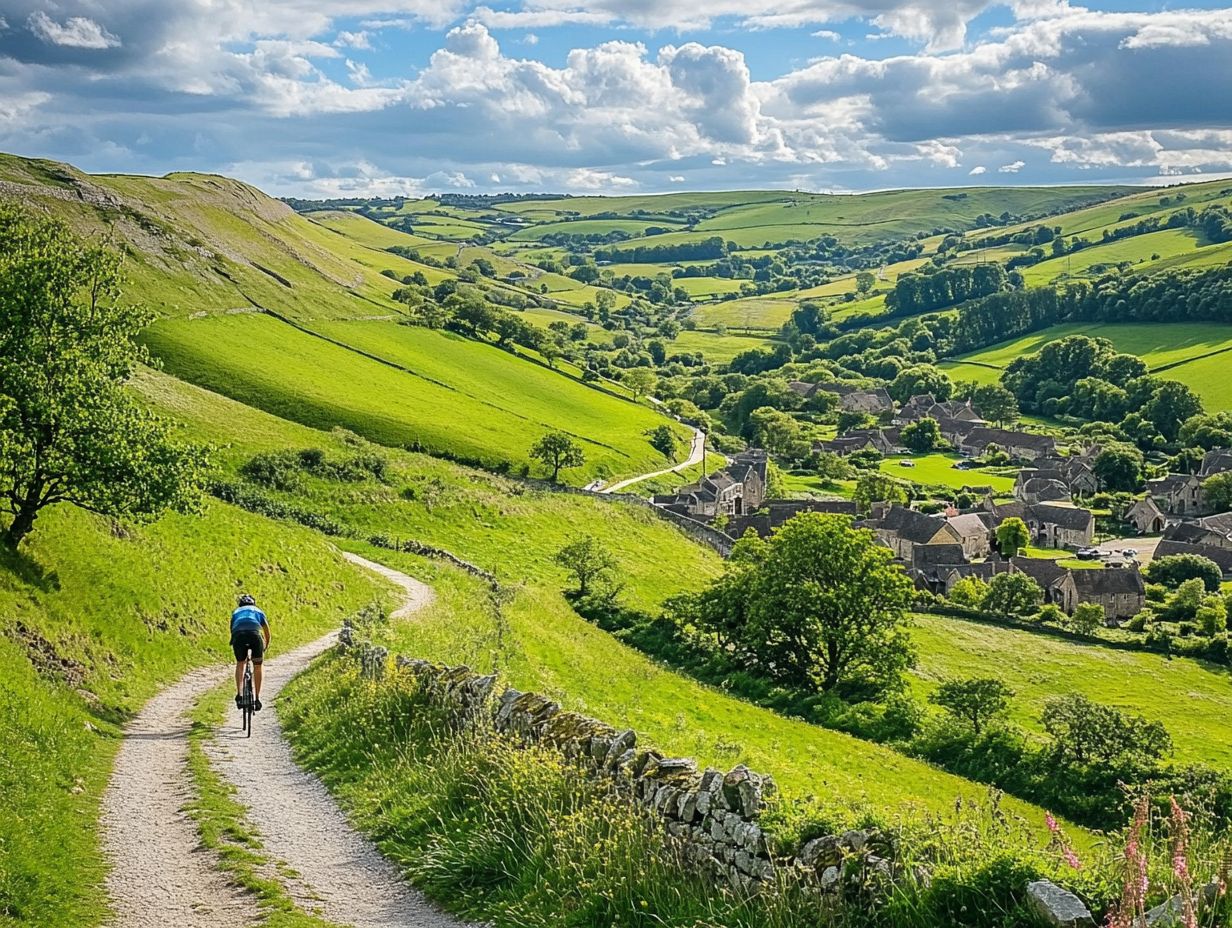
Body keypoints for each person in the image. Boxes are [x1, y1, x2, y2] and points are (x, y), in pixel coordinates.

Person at [231, 593, 270, 710]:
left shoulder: (236, 612)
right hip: (255, 635)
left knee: (240, 663)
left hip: (239, 636)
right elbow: (267, 633)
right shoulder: (258, 611)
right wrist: (265, 646)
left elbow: (232, 631)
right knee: (258, 666)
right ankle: (257, 698)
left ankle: (239, 694)